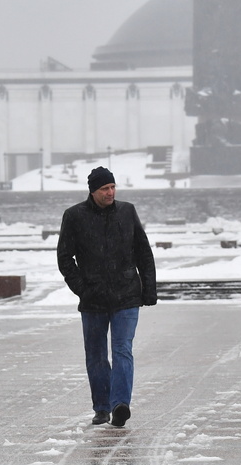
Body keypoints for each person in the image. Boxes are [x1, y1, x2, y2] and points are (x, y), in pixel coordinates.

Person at [57, 166, 156, 427]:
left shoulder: (127, 211)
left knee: (122, 349)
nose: (110, 192)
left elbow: (143, 252)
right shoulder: (74, 216)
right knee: (96, 354)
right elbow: (65, 259)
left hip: (126, 295)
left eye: (112, 187)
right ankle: (102, 406)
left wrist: (148, 289)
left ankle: (120, 404)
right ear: (93, 191)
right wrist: (82, 288)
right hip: (93, 299)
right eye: (104, 189)